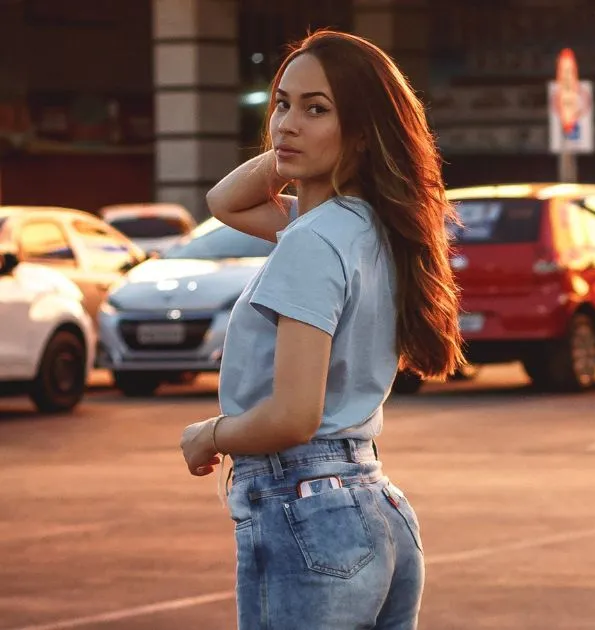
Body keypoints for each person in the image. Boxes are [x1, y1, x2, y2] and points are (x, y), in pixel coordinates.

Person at [178, 29, 464, 629]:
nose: (286, 123)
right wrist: (301, 142)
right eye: (281, 103)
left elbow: (292, 416)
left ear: (362, 132)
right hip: (374, 507)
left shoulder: (311, 240)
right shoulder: (369, 228)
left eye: (317, 109)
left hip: (304, 508)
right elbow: (223, 201)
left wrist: (210, 434)